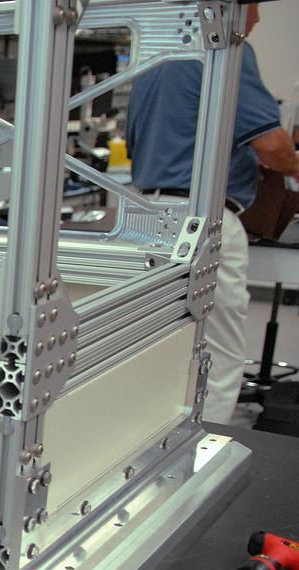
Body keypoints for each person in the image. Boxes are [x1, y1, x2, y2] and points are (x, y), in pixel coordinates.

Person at [126, 2, 299, 424]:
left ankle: (150, 444)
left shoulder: (155, 57)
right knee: (217, 356)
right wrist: (292, 164)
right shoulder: (225, 46)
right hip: (203, 219)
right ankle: (206, 449)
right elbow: (272, 146)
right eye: (254, 6)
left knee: (155, 348)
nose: (257, 19)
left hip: (146, 216)